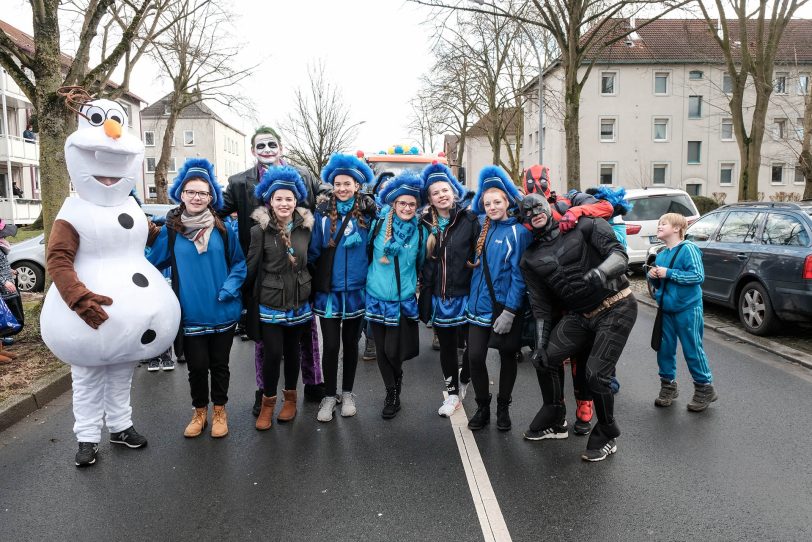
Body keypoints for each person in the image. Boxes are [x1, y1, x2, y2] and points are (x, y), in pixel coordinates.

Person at [42, 94, 180, 467]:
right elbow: (57, 259)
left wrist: (175, 226)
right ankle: (87, 437)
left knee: (120, 375)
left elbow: (149, 235)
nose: (108, 177)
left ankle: (120, 426)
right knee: (86, 379)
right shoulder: (74, 210)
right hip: (88, 318)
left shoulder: (130, 206)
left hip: (126, 325)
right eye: (100, 170)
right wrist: (78, 299)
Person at [220, 126, 330, 416]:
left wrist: (359, 204)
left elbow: (327, 196)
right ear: (253, 150)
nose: (267, 149)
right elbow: (217, 209)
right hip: (263, 269)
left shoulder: (303, 176)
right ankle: (264, 393)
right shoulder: (238, 182)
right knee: (265, 346)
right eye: (260, 145)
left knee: (306, 339)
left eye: (272, 144)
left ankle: (311, 384)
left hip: (299, 271)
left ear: (281, 148)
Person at [519, 193, 636, 462]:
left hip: (616, 305)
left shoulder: (584, 225)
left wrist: (602, 272)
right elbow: (541, 306)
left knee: (596, 375)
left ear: (548, 207)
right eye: (527, 210)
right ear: (523, 219)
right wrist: (539, 344)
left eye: (538, 205)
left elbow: (620, 255)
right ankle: (554, 417)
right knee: (545, 358)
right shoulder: (530, 259)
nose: (534, 211)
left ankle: (607, 432)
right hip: (580, 315)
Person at [147, 158, 246, 438]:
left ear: (211, 197)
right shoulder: (171, 231)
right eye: (191, 191)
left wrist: (230, 288)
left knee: (220, 365)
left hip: (222, 310)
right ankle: (199, 411)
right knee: (196, 367)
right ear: (181, 193)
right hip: (189, 313)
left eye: (203, 193)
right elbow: (152, 264)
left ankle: (219, 411)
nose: (196, 197)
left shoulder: (224, 229)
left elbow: (239, 264)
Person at [246, 165, 315, 430]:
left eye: (289, 198)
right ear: (270, 200)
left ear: (296, 200)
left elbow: (314, 261)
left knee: (293, 353)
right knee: (272, 354)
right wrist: (245, 304)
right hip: (271, 302)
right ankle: (267, 404)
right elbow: (252, 266)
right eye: (279, 198)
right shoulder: (258, 231)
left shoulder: (306, 228)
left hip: (299, 300)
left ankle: (290, 401)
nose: (284, 203)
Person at [309, 154, 377, 422]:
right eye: (338, 184)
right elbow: (314, 250)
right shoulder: (322, 214)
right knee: (331, 346)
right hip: (329, 293)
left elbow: (376, 247)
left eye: (347, 183)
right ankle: (328, 396)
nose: (342, 188)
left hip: (357, 291)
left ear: (357, 185)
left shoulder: (370, 215)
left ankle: (347, 393)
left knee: (351, 345)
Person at [464, 166, 531, 431]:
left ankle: (503, 407)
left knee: (506, 356)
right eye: (487, 202)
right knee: (475, 358)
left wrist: (511, 311)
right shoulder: (480, 225)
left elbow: (519, 276)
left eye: (497, 202)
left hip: (504, 308)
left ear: (507, 202)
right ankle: (483, 406)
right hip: (477, 307)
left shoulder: (519, 232)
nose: (492, 207)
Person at [418, 162, 479, 417]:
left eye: (445, 190)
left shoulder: (469, 219)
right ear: (430, 199)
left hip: (466, 295)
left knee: (474, 351)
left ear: (453, 192)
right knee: (447, 348)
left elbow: (480, 256)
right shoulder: (423, 224)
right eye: (436, 192)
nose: (442, 195)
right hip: (440, 298)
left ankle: (465, 378)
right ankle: (452, 393)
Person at [365, 171, 427, 419]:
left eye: (412, 204)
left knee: (393, 351)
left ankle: (397, 376)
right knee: (380, 351)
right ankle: (391, 392)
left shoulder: (421, 232)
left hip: (402, 301)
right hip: (376, 296)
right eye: (402, 203)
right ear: (394, 203)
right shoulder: (378, 225)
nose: (407, 207)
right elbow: (368, 254)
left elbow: (420, 263)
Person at [647, 213, 717, 411]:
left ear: (677, 228)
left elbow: (697, 276)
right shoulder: (661, 254)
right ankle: (668, 386)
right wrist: (652, 275)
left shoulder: (689, 249)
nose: (659, 226)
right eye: (659, 223)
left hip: (688, 308)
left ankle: (705, 388)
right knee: (664, 349)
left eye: (664, 223)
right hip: (666, 310)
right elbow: (661, 283)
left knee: (692, 348)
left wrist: (668, 273)